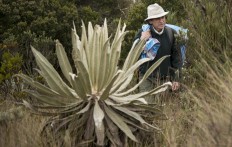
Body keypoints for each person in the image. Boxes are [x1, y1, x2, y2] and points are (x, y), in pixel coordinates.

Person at [134, 3, 181, 95]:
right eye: (158, 18)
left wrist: (176, 79)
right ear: (151, 21)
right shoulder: (142, 33)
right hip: (146, 78)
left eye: (163, 17)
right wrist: (142, 40)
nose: (161, 21)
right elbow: (133, 53)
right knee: (148, 107)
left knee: (164, 107)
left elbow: (177, 58)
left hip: (165, 80)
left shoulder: (171, 33)